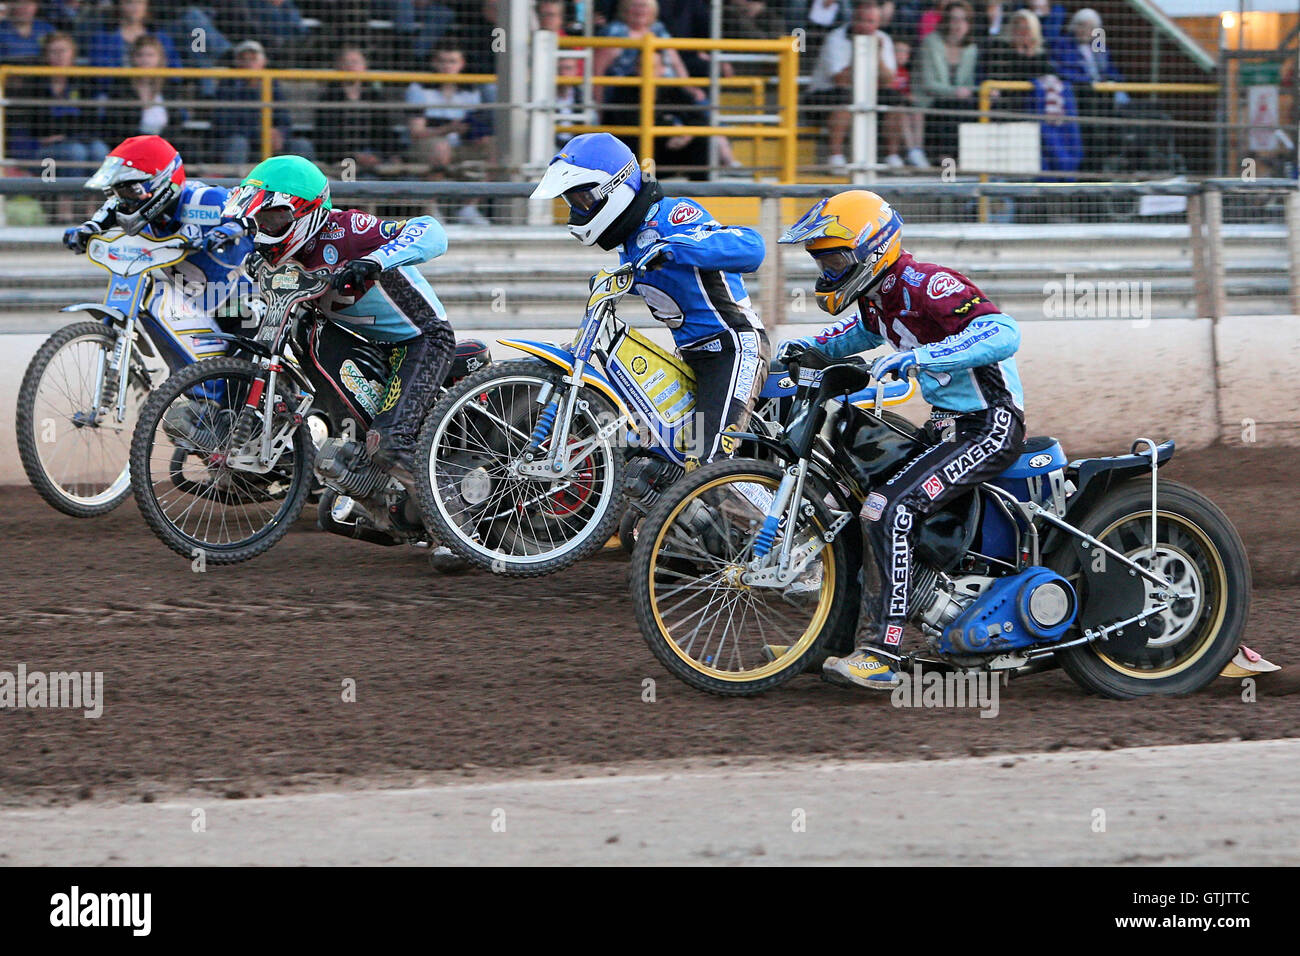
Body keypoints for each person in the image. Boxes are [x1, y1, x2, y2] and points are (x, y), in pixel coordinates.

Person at [776, 189, 1024, 690]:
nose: (827, 268)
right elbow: (850, 338)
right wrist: (805, 349)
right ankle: (829, 642)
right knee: (850, 505)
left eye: (835, 256)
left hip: (990, 424)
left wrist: (922, 359)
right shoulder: (879, 297)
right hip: (946, 425)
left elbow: (1003, 332)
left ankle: (884, 653)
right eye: (820, 258)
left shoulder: (926, 282)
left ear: (873, 247)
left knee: (888, 509)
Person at [531, 132, 769, 465]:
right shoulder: (629, 242)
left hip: (733, 347)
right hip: (689, 358)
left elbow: (752, 248)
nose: (579, 210)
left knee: (706, 461)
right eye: (574, 203)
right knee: (646, 453)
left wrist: (676, 248)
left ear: (612, 188)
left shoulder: (672, 215)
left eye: (583, 200)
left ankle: (771, 514)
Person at [222, 155, 455, 486]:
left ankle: (456, 515)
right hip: (361, 341)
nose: (264, 231)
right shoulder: (267, 255)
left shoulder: (348, 229)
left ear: (306, 212)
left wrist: (373, 261)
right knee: (302, 327)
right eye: (258, 219)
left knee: (389, 444)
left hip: (420, 340)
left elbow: (433, 233)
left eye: (273, 219)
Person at [62, 135, 256, 361]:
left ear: (162, 182)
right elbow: (108, 211)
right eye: (116, 192)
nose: (122, 202)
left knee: (238, 380)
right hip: (191, 302)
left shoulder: (206, 199)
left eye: (128, 191)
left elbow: (251, 215)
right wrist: (86, 230)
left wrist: (228, 230)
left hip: (238, 304)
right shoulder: (127, 206)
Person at [806, 1, 897, 173]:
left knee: (895, 100)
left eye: (870, 22)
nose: (865, 26)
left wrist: (876, 54)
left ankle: (892, 157)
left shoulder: (883, 39)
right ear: (853, 19)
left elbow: (888, 80)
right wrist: (860, 50)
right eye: (861, 20)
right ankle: (836, 157)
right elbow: (840, 79)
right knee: (845, 96)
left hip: (866, 93)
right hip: (823, 95)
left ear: (877, 23)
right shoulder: (835, 38)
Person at [211, 39, 315, 167]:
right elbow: (225, 124)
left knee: (301, 145)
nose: (248, 63)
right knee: (238, 143)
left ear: (263, 62)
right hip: (246, 142)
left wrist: (280, 134)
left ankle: (302, 185)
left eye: (253, 59)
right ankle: (234, 184)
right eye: (243, 59)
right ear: (236, 62)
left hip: (271, 143)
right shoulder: (227, 86)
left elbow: (284, 119)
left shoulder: (272, 85)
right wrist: (261, 133)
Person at [915, 0, 978, 163]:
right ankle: (947, 166)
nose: (959, 25)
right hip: (931, 102)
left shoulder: (971, 49)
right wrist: (955, 92)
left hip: (958, 104)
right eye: (954, 19)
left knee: (968, 107)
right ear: (946, 21)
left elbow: (969, 83)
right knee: (949, 108)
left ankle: (962, 162)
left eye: (964, 20)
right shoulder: (931, 42)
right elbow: (928, 84)